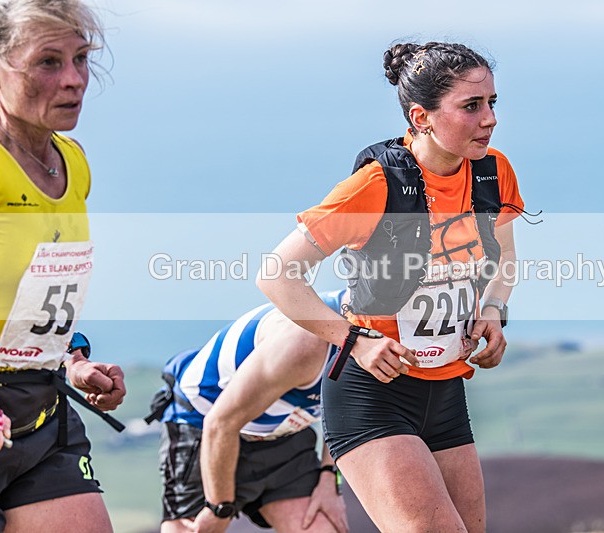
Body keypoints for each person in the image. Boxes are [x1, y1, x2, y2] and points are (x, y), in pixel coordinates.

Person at [257, 42, 525, 532]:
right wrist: (352, 340)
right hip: (372, 398)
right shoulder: (374, 186)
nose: (489, 119)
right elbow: (276, 274)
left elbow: (505, 256)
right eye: (471, 106)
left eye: (492, 103)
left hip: (445, 392)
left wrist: (493, 310)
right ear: (421, 117)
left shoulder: (492, 171)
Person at [0, 1, 126, 532]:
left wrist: (72, 361)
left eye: (82, 59)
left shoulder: (74, 163)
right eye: (48, 62)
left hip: (37, 409)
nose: (74, 80)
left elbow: (34, 294)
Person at [150, 289, 349, 533]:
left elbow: (351, 412)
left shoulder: (388, 339)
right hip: (204, 427)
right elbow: (220, 423)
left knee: (324, 526)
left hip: (281, 435)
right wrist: (218, 507)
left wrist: (330, 478)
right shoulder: (304, 340)